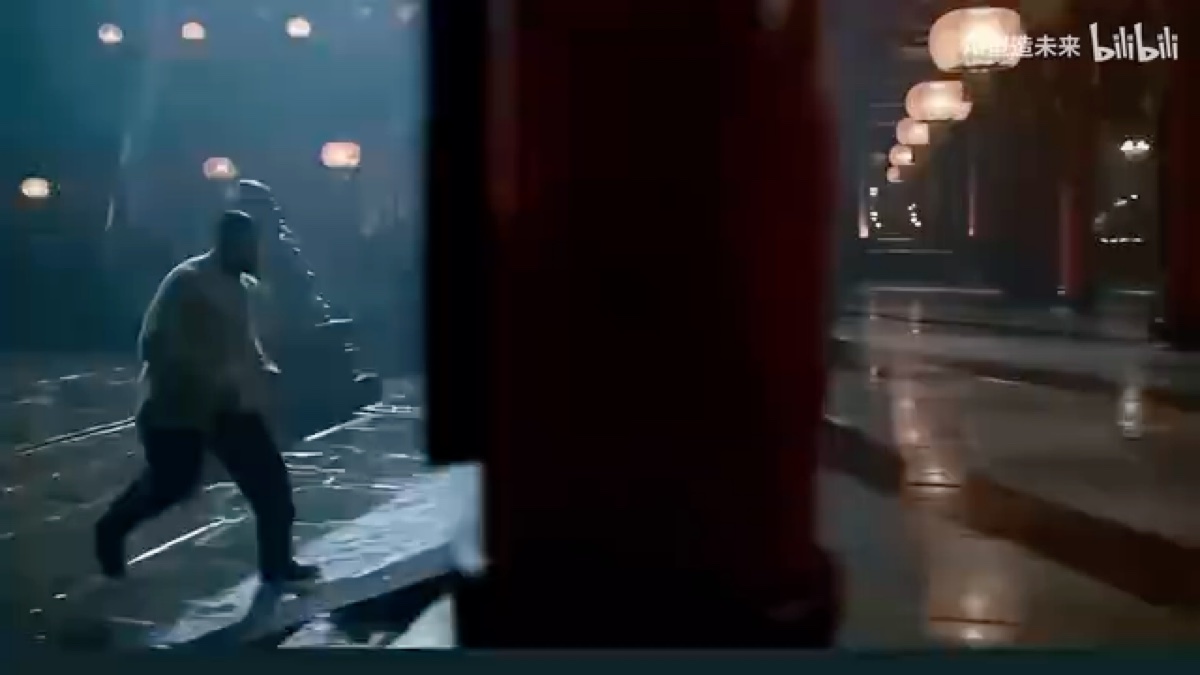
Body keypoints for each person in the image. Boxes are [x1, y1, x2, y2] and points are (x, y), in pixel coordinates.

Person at [94, 209, 320, 588]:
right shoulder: (188, 282)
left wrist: (262, 367)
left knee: (271, 487)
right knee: (169, 485)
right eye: (246, 246)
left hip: (231, 407)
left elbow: (239, 340)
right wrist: (200, 377)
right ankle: (111, 528)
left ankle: (277, 566)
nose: (253, 253)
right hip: (179, 409)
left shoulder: (239, 287)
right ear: (226, 244)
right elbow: (154, 342)